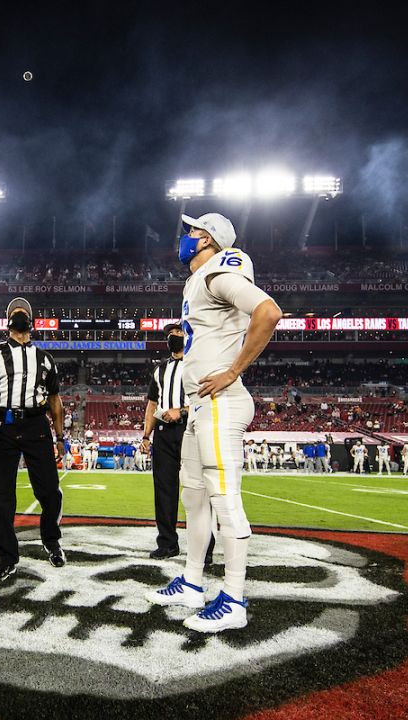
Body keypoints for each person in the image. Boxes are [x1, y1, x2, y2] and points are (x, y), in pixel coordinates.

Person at [145, 211, 282, 634]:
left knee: (225, 502)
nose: (185, 237)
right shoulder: (198, 279)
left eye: (192, 232)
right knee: (195, 498)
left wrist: (232, 370)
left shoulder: (216, 275)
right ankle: (192, 581)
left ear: (207, 239)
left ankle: (234, 599)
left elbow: (268, 312)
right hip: (200, 404)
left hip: (221, 400)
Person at [0, 297, 67, 581]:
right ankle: (5, 555)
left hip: (37, 424)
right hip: (4, 423)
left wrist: (60, 437)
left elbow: (55, 401)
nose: (20, 314)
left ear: (32, 321)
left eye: (24, 312)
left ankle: (51, 540)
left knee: (50, 490)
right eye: (15, 312)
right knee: (1, 494)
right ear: (7, 321)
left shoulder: (45, 358)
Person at [140, 322, 214, 562]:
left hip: (190, 429)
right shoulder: (159, 369)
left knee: (197, 490)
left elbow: (207, 398)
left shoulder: (198, 365)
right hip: (163, 432)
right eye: (171, 334)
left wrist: (181, 412)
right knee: (163, 490)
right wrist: (145, 436)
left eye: (179, 333)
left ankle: (205, 547)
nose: (175, 337)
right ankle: (167, 543)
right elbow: (152, 404)